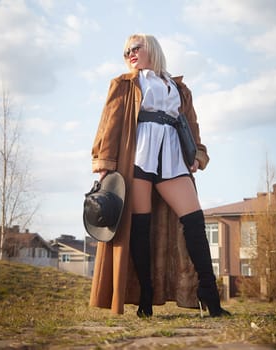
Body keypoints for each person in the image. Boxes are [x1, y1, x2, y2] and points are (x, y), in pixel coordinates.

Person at [88, 33, 230, 318]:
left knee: (194, 221)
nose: (130, 53)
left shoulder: (178, 88)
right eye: (126, 50)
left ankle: (209, 293)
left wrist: (198, 154)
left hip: (173, 159)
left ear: (151, 48)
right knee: (140, 227)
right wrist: (104, 164)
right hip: (137, 157)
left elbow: (191, 124)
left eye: (135, 48)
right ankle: (146, 295)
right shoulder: (125, 84)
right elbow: (109, 125)